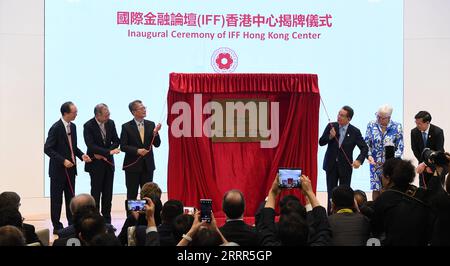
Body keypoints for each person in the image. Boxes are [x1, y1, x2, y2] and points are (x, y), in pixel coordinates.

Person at [44, 101, 92, 234]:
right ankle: (57, 227)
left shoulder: (74, 126)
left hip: (71, 170)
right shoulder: (56, 128)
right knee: (56, 200)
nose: (76, 114)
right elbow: (47, 148)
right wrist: (63, 160)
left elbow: (73, 147)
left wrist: (82, 155)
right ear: (66, 113)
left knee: (71, 198)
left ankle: (72, 224)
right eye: (74, 112)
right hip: (58, 171)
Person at [319, 106, 368, 213]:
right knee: (331, 193)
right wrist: (330, 137)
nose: (339, 117)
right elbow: (321, 142)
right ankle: (330, 215)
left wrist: (359, 160)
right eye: (338, 114)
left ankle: (344, 215)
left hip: (345, 167)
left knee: (344, 194)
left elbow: (364, 148)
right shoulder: (331, 126)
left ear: (349, 118)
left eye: (342, 115)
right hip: (331, 165)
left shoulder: (355, 131)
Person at [83, 103, 120, 223]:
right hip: (95, 164)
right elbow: (91, 145)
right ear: (97, 115)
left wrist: (107, 152)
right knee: (96, 193)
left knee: (108, 194)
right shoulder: (88, 125)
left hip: (108, 164)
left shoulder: (111, 123)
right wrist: (109, 152)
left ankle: (107, 221)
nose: (108, 117)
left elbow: (116, 140)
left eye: (109, 114)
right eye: (106, 115)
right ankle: (95, 220)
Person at [120, 100, 161, 204]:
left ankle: (147, 217)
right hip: (132, 166)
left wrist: (156, 134)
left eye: (144, 107)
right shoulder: (126, 127)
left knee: (148, 195)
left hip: (147, 166)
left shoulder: (151, 124)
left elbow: (157, 144)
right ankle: (132, 218)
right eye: (141, 108)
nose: (144, 110)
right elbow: (123, 146)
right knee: (132, 194)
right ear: (134, 112)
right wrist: (137, 151)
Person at [365, 104, 404, 200]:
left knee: (389, 188)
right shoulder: (371, 125)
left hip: (391, 165)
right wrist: (369, 156)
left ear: (389, 117)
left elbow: (400, 147)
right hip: (375, 163)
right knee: (376, 189)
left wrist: (391, 161)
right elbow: (366, 143)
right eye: (378, 116)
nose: (379, 119)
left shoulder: (397, 126)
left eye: (382, 118)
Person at [411, 111, 445, 188]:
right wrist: (424, 165)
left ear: (427, 122)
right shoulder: (414, 132)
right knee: (423, 191)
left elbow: (439, 151)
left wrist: (427, 164)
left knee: (437, 192)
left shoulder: (438, 132)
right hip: (422, 167)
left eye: (420, 124)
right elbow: (415, 150)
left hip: (436, 166)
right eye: (416, 123)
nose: (417, 126)